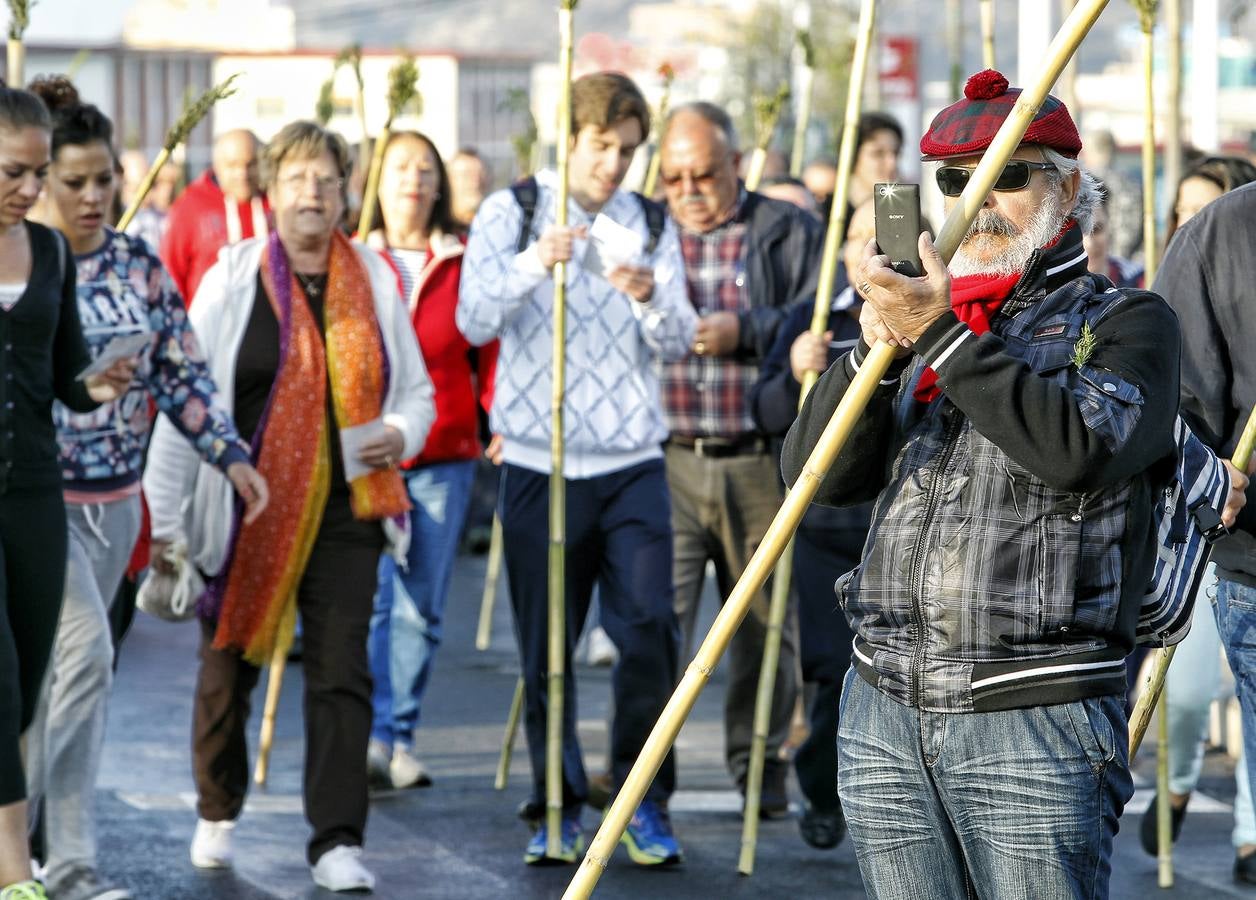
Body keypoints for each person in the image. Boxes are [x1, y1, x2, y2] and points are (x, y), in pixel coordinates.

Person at [781, 69, 1194, 897]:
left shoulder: (1126, 320)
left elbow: (1079, 446)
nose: (977, 197)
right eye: (955, 179)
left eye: (1005, 174)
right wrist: (872, 348)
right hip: (886, 708)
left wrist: (936, 333)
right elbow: (815, 475)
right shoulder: (931, 321)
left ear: (1067, 188)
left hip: (1034, 719)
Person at [142, 120, 435, 894]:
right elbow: (186, 400)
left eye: (328, 181)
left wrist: (399, 431)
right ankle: (217, 807)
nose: (314, 194)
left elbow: (417, 393)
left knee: (342, 672)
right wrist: (166, 522)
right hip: (247, 501)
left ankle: (337, 839)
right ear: (272, 191)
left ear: (345, 194)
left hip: (350, 505)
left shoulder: (371, 277)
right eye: (299, 179)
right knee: (226, 665)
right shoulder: (232, 277)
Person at [21, 75, 267, 900]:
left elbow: (184, 376)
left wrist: (230, 455)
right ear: (37, 178)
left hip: (119, 510)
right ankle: (62, 863)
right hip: (36, 506)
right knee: (78, 661)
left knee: (68, 687)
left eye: (104, 180)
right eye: (74, 181)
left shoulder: (138, 267)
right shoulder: (25, 263)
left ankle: (34, 858)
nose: (94, 197)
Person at [458, 71, 695, 866]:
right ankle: (554, 804)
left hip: (632, 462)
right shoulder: (513, 210)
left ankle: (640, 800)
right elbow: (472, 315)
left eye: (627, 152)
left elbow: (679, 335)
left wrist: (647, 295)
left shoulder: (649, 221)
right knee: (547, 648)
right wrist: (535, 260)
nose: (613, 167)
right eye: (601, 148)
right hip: (539, 458)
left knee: (649, 636)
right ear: (571, 140)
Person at [657, 101, 822, 817]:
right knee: (654, 621)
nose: (689, 190)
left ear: (736, 165)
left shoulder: (786, 229)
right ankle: (644, 779)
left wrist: (746, 331)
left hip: (758, 456)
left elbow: (819, 313)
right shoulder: (646, 229)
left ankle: (758, 767)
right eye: (673, 178)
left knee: (762, 625)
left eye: (703, 174)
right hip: (662, 458)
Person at [0, 82, 135, 900]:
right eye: (12, 172)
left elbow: (63, 376)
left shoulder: (48, 254)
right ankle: (16, 867)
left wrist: (100, 384)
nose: (30, 189)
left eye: (37, 173)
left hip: (35, 495)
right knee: (1, 672)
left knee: (34, 668)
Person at [360, 130, 497, 790]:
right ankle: (370, 731)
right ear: (376, 181)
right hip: (369, 451)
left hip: (444, 451)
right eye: (398, 168)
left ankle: (399, 734)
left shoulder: (465, 258)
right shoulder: (355, 259)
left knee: (421, 604)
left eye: (424, 168)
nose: (412, 180)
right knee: (373, 599)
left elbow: (488, 344)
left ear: (440, 182)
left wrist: (496, 413)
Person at [748, 199, 876, 850]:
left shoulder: (934, 316)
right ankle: (822, 787)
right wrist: (801, 364)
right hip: (826, 524)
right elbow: (767, 409)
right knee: (830, 670)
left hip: (895, 521)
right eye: (855, 238)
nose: (868, 250)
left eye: (882, 237)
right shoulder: (813, 319)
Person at [1153, 172, 1256, 885]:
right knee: (1187, 696)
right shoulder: (1223, 235)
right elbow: (1173, 398)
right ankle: (1175, 788)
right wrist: (1206, 474)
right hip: (1247, 558)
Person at [159, 129, 268, 306]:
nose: (243, 174)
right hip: (209, 322)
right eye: (233, 165)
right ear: (217, 165)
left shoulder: (277, 201)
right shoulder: (191, 205)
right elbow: (171, 272)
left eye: (251, 164)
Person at [118, 148, 181, 251]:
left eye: (150, 185)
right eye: (137, 188)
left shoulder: (162, 218)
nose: (146, 194)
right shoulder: (120, 219)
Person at [1084, 181, 1143, 288]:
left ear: (1109, 225)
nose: (1090, 244)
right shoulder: (1051, 288)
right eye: (1079, 233)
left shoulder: (1139, 281)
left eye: (1097, 230)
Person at [447, 146, 492, 233]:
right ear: (449, 180)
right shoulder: (436, 232)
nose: (476, 181)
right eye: (467, 174)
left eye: (481, 173)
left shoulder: (499, 226)